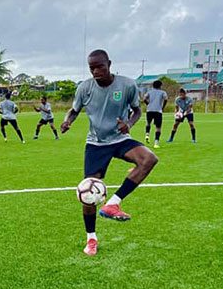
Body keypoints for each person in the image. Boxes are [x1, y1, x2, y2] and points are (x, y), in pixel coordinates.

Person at [60, 49, 158, 256]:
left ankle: (113, 203)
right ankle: (91, 239)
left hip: (120, 139)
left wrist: (129, 124)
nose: (96, 71)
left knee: (149, 159)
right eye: (91, 68)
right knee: (88, 191)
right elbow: (75, 109)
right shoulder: (84, 88)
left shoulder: (127, 85)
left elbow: (137, 110)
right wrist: (68, 121)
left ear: (109, 64)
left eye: (99, 67)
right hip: (96, 143)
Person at [143, 80, 168, 149]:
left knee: (148, 123)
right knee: (158, 127)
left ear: (153, 85)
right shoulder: (162, 92)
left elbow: (144, 98)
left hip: (149, 110)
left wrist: (148, 104)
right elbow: (166, 99)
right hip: (158, 111)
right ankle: (156, 143)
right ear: (160, 86)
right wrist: (163, 107)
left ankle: (147, 134)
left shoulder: (149, 92)